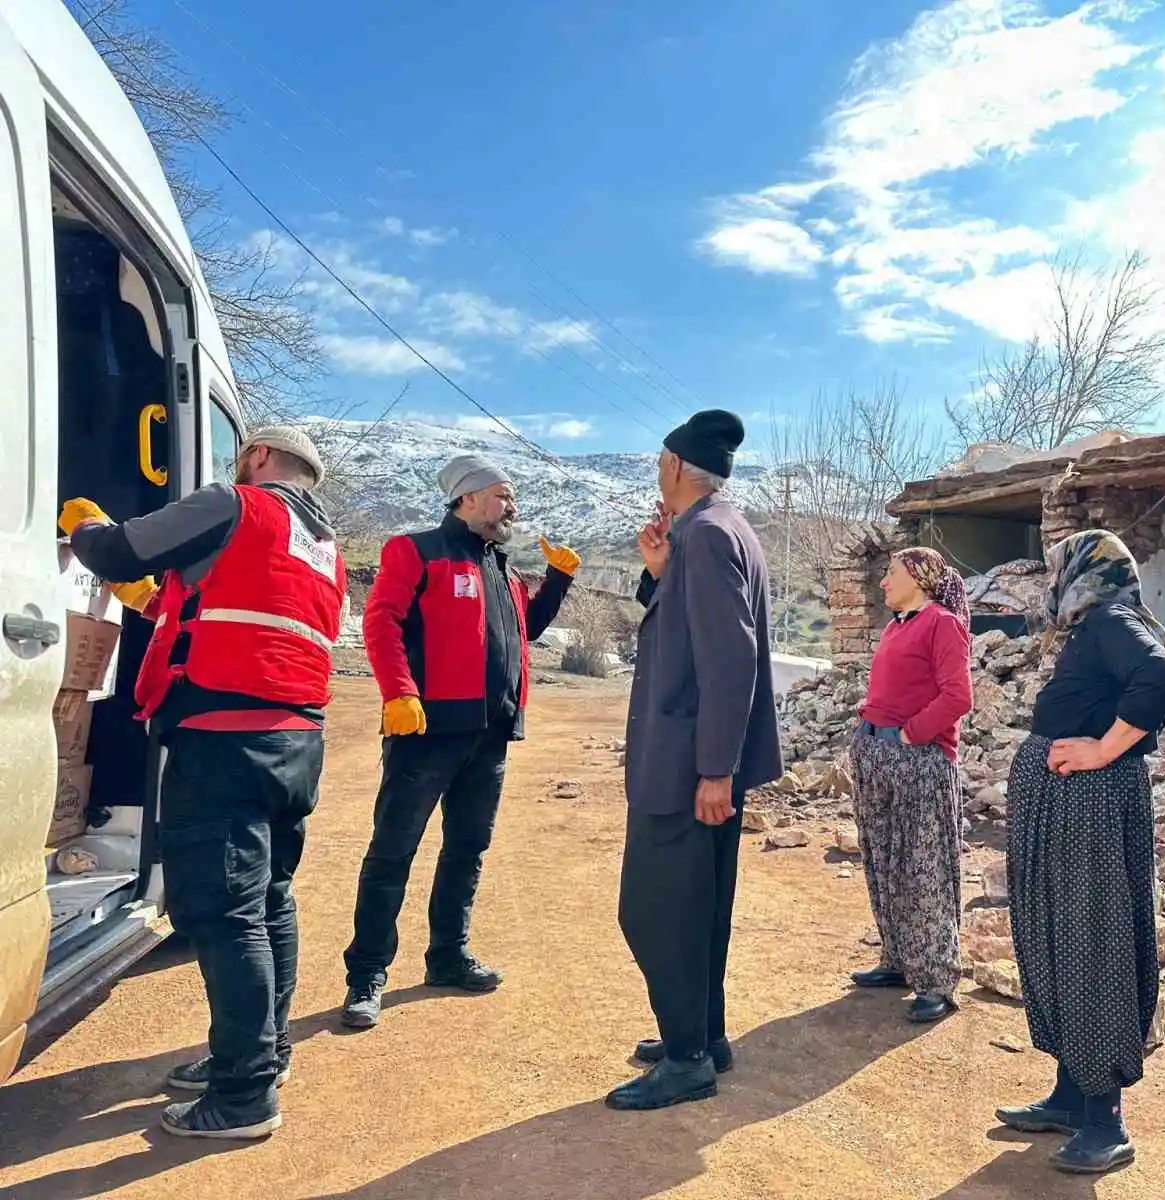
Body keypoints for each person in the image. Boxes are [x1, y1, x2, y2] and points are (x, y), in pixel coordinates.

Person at [61, 426, 347, 1141]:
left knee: (227, 916)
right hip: (294, 741)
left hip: (224, 742)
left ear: (255, 458)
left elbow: (119, 549)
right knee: (270, 900)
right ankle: (259, 1056)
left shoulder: (236, 503)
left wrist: (86, 524)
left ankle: (245, 1096)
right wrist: (153, 602)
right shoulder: (323, 545)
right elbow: (236, 617)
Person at [342, 455, 581, 1028]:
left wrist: (558, 583)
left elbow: (527, 632)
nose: (512, 507)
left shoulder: (504, 570)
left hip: (491, 735)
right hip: (426, 732)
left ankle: (447, 956)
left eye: (513, 498)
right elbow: (381, 622)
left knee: (467, 849)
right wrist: (399, 691)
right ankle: (367, 975)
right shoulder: (417, 550)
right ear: (466, 499)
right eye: (502, 496)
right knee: (393, 853)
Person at [609, 409, 782, 1111]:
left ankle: (685, 1060)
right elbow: (693, 627)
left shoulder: (707, 536)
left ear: (678, 467)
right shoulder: (717, 532)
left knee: (655, 911)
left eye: (659, 463)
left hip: (686, 768)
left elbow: (729, 657)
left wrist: (715, 769)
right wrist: (657, 575)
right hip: (697, 762)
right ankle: (703, 1035)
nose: (657, 472)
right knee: (700, 904)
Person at [996, 529, 1165, 1175]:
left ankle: (1105, 1120)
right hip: (1066, 805)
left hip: (1089, 805)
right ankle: (1071, 1095)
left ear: (1085, 571)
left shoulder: (1111, 618)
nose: (1052, 580)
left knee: (1090, 941)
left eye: (1057, 568)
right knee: (1056, 939)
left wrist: (1103, 749)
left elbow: (1162, 677)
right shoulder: (1094, 627)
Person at [848, 546, 973, 1023]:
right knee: (884, 861)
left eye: (891, 572)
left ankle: (936, 981)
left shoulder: (942, 623)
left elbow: (958, 695)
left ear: (918, 576)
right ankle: (898, 960)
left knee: (924, 867)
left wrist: (911, 733)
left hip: (918, 759)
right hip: (877, 753)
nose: (883, 582)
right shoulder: (898, 624)